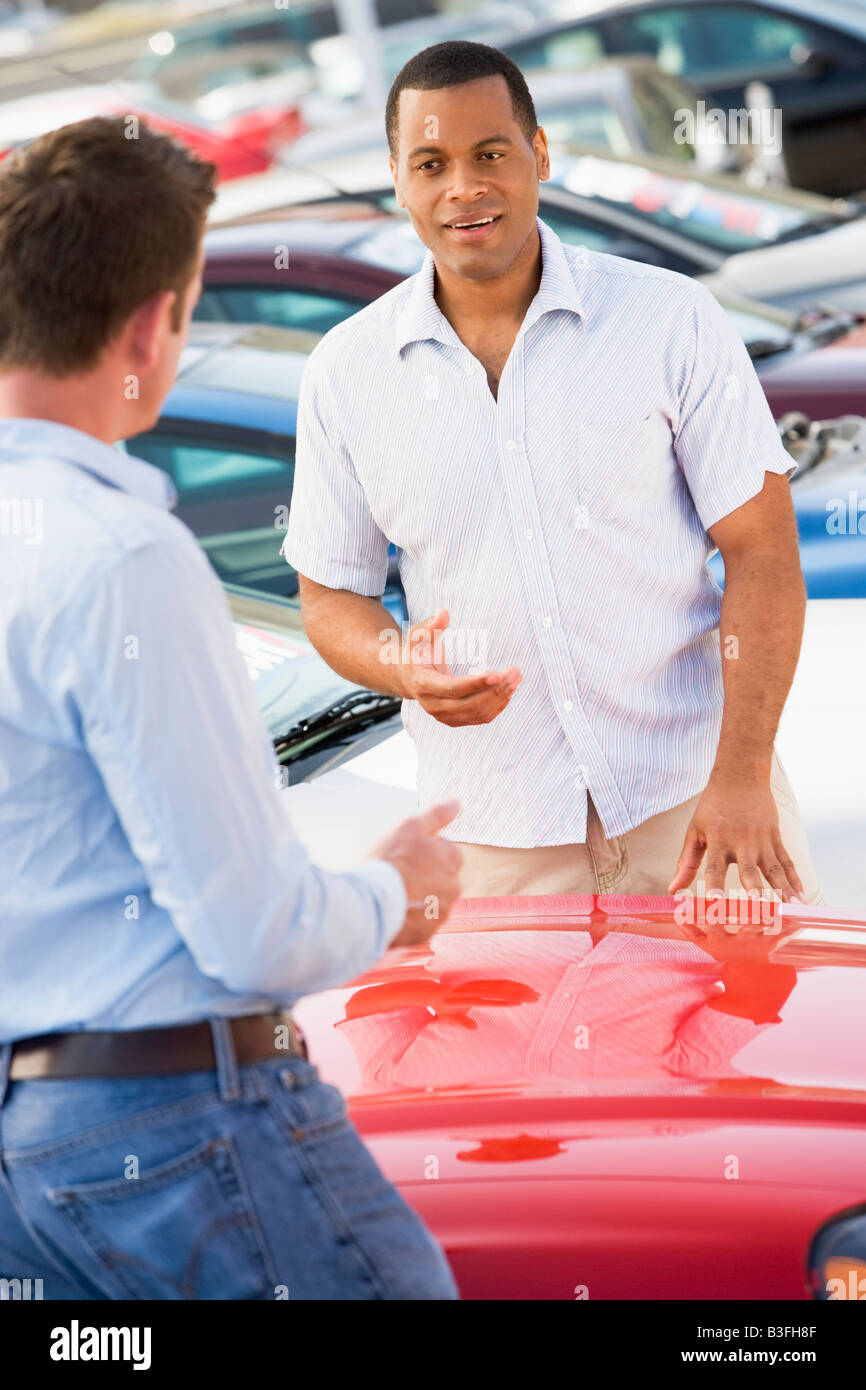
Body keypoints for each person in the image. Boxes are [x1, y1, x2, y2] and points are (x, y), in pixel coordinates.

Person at [0, 117, 461, 1301]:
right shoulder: (120, 554)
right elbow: (255, 933)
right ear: (153, 322)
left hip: (30, 1156)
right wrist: (396, 892)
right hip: (180, 1130)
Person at [283, 40, 825, 909]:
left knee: (751, 1048)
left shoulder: (669, 320)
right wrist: (400, 665)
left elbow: (763, 556)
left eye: (489, 153)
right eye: (432, 163)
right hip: (494, 844)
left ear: (538, 152)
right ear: (397, 177)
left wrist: (742, 779)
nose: (464, 187)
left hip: (697, 811)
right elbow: (330, 601)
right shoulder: (345, 374)